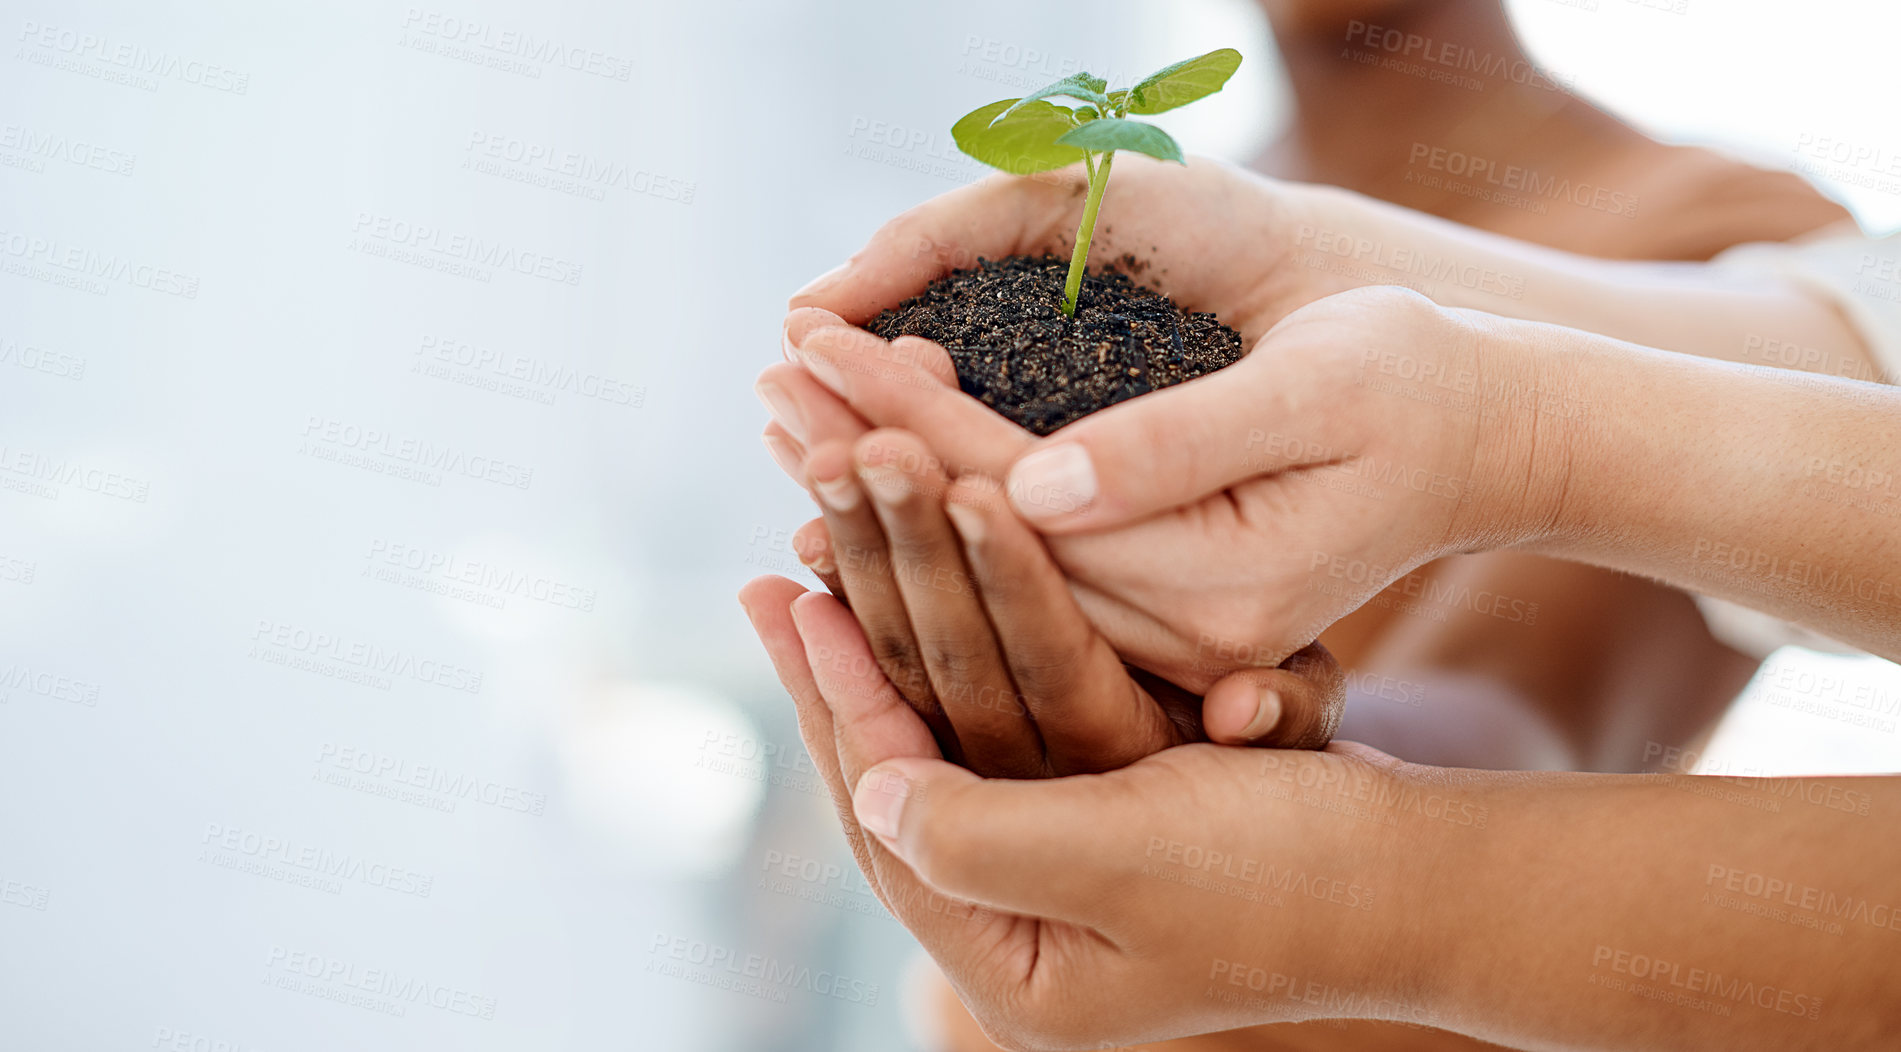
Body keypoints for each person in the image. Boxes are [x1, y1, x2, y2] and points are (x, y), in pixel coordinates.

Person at [753, 156, 1900, 1049]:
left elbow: (1546, 713)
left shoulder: (1685, 191)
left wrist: (1384, 895)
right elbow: (1858, 353)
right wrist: (1342, 277)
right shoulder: (1231, 213)